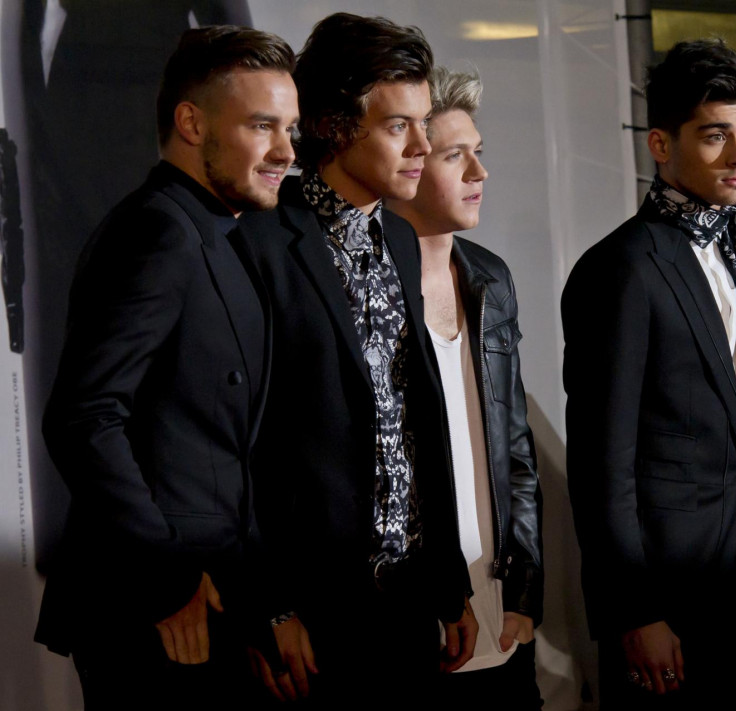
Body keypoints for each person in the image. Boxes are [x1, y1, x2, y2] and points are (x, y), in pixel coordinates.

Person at [34, 25, 298, 710]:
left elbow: (217, 449)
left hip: (212, 595)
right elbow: (84, 416)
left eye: (289, 129)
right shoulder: (156, 232)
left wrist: (260, 600)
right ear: (191, 123)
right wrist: (166, 579)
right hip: (154, 611)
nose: (286, 152)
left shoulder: (216, 233)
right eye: (263, 126)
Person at [241, 14, 475, 707]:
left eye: (423, 124)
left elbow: (417, 422)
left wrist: (450, 583)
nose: (422, 145)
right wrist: (269, 605)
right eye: (399, 125)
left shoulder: (398, 239)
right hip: (312, 611)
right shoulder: (261, 243)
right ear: (334, 127)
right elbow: (243, 445)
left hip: (408, 600)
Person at [561, 39, 736, 706]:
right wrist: (634, 611)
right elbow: (602, 463)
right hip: (665, 590)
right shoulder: (620, 268)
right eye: (715, 136)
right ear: (661, 144)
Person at [389, 67, 544, 710]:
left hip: (499, 604)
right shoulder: (370, 289)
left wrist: (527, 592)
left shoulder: (490, 279)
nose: (480, 173)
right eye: (456, 156)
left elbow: (516, 450)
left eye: (478, 152)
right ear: (409, 165)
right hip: (409, 608)